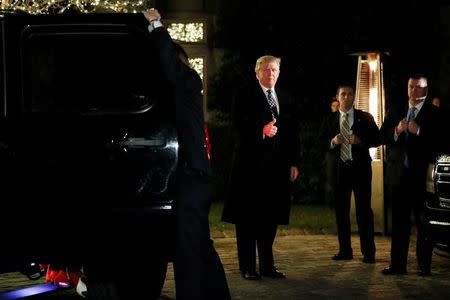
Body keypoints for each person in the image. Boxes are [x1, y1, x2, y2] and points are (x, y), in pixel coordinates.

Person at [143, 9, 230, 299]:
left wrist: (156, 26)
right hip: (196, 177)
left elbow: (169, 63)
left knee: (188, 250)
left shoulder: (188, 80)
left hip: (193, 177)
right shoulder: (184, 88)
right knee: (200, 244)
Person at [221, 55, 300, 280]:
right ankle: (247, 267)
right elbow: (236, 126)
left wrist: (294, 162)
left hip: (277, 169)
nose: (270, 73)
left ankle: (267, 266)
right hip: (249, 168)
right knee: (247, 219)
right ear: (257, 72)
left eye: (274, 69)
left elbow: (293, 132)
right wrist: (260, 130)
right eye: (266, 69)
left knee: (270, 218)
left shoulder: (284, 97)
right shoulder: (244, 94)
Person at [380, 73, 442, 276]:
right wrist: (396, 131)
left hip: (422, 177)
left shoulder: (434, 113)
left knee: (423, 223)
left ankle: (424, 266)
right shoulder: (396, 110)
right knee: (399, 222)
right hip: (398, 176)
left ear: (426, 90)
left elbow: (443, 141)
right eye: (411, 87)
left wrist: (420, 131)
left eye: (418, 88)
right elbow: (382, 135)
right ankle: (398, 265)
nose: (414, 91)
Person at [319, 85, 380, 264]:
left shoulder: (365, 118)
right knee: (341, 212)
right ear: (337, 97)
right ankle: (345, 250)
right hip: (339, 171)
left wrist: (361, 141)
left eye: (350, 94)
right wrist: (332, 141)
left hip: (360, 171)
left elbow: (378, 139)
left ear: (354, 96)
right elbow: (320, 142)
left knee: (364, 211)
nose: (346, 97)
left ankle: (368, 252)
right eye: (343, 94)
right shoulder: (330, 119)